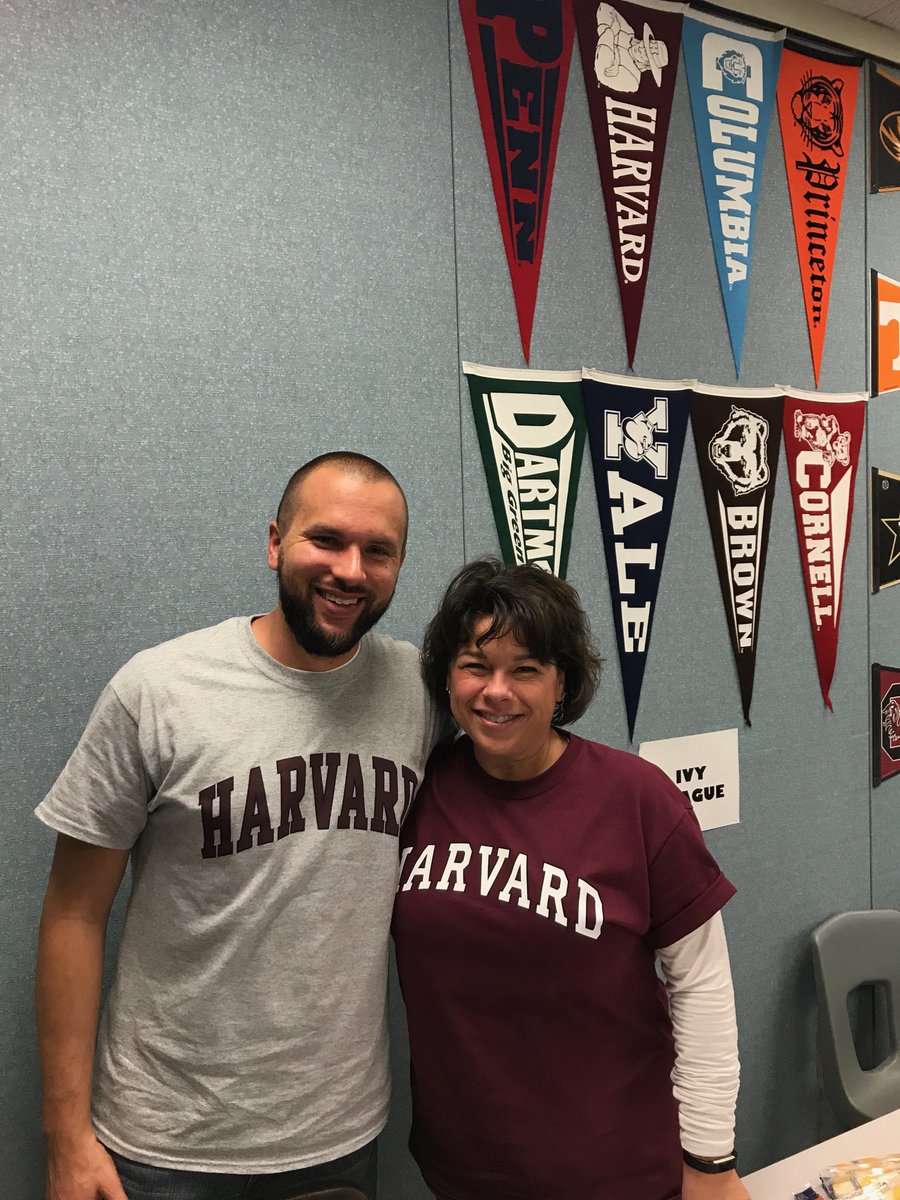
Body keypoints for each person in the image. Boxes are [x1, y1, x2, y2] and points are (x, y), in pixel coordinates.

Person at [35, 452, 443, 1200]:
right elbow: (71, 912)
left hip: (341, 1133)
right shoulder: (159, 691)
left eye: (377, 551)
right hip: (167, 1143)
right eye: (326, 539)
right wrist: (66, 1137)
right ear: (275, 542)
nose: (350, 570)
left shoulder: (420, 692)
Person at [392, 559, 749, 1200]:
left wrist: (710, 1160)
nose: (496, 691)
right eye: (475, 665)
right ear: (447, 677)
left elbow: (701, 986)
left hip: (619, 1173)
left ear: (563, 684)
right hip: (462, 1171)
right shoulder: (418, 788)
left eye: (525, 669)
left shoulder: (637, 798)